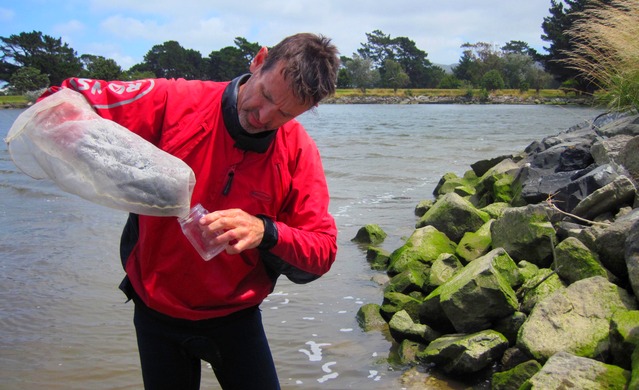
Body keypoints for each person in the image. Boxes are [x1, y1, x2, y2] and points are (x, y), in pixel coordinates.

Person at [39, 33, 340, 389]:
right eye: (266, 96)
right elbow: (59, 98)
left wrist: (265, 231)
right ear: (259, 61)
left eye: (285, 114)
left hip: (235, 317)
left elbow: (323, 250)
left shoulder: (298, 150)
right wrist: (113, 166)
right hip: (155, 312)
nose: (263, 117)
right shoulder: (173, 99)